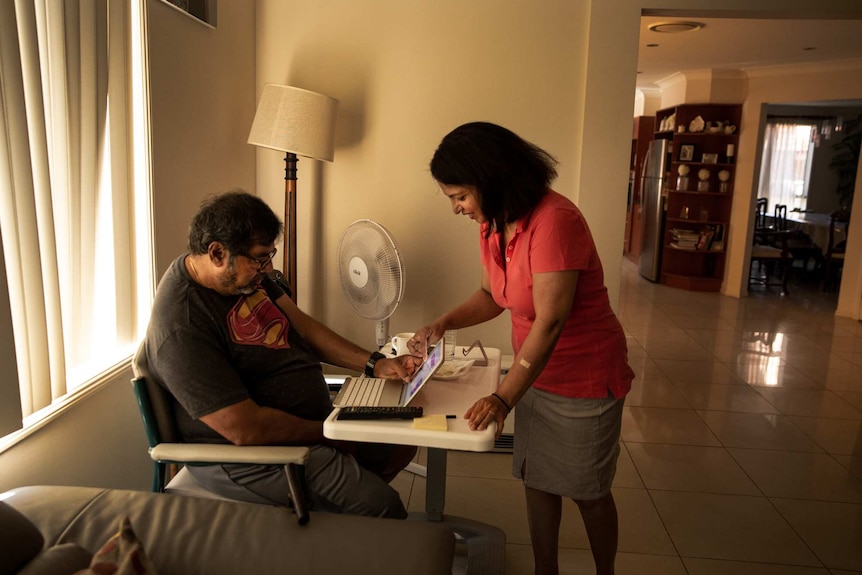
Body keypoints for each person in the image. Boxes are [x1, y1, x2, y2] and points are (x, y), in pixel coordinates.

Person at [411, 122, 634, 574]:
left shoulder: (556, 222)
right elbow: (492, 295)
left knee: (587, 491)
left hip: (583, 377)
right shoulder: (494, 225)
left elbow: (550, 320)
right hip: (534, 374)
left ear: (490, 179)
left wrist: (502, 397)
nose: (456, 208)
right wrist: (442, 323)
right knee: (537, 479)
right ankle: (544, 569)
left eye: (459, 196)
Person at [145, 190, 419, 518]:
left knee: (400, 441)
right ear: (217, 253)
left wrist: (375, 364)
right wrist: (331, 433)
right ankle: (347, 513)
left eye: (270, 255)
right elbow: (245, 429)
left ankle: (337, 521)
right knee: (383, 507)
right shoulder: (182, 324)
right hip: (249, 456)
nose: (269, 268)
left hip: (306, 427)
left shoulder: (243, 278)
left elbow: (303, 327)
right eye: (261, 258)